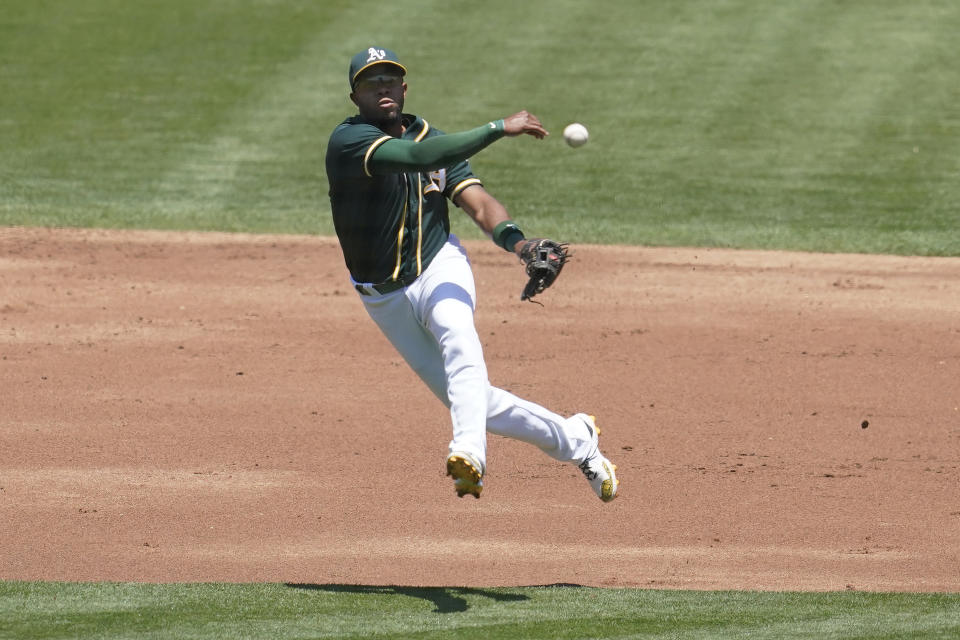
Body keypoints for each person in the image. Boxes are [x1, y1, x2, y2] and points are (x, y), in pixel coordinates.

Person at [325, 46, 619, 502]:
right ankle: (578, 438)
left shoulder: (432, 137)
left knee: (456, 333)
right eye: (370, 82)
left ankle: (468, 454)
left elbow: (478, 202)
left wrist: (519, 244)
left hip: (439, 263)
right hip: (382, 296)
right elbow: (418, 158)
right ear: (355, 96)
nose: (381, 87)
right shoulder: (349, 142)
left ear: (403, 88)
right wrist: (497, 127)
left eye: (389, 79)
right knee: (475, 400)